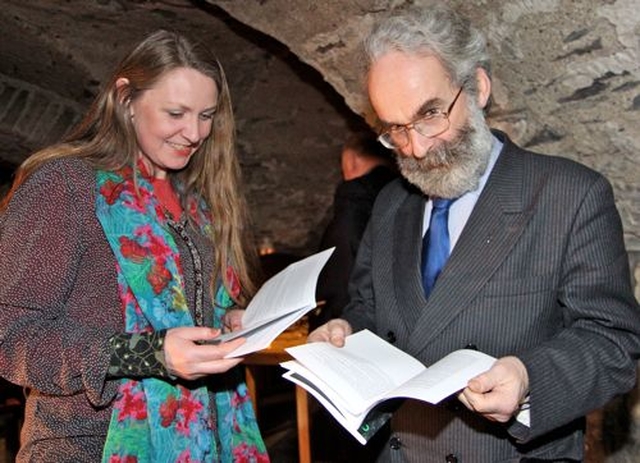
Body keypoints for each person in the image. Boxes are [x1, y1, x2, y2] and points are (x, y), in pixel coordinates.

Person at [308, 5, 640, 462]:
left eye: (430, 114)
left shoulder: (569, 195)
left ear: (478, 87)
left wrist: (528, 380)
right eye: (396, 130)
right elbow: (370, 308)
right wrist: (346, 332)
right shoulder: (391, 205)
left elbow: (614, 342)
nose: (417, 148)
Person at [0, 30, 269, 462]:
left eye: (207, 115)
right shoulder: (66, 185)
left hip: (202, 445)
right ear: (125, 99)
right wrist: (145, 353)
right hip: (85, 446)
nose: (195, 132)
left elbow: (187, 316)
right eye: (176, 113)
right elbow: (10, 337)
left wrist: (227, 320)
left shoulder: (194, 201)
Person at [313, 130, 397, 328]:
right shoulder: (402, 191)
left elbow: (343, 260)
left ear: (352, 160)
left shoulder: (354, 195)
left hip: (352, 311)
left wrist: (324, 311)